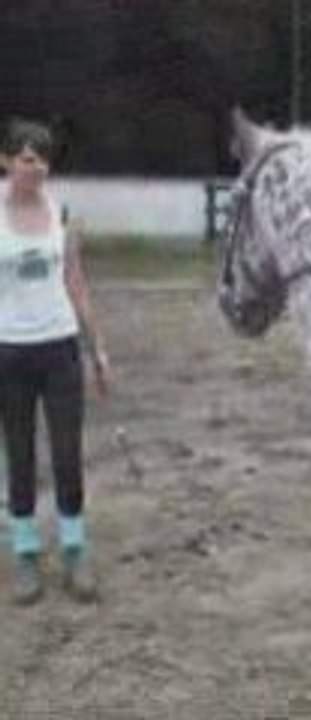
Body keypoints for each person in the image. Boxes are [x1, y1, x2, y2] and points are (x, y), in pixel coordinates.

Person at [0, 118, 110, 605]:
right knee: (19, 456)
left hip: (59, 347)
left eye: (42, 158)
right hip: (8, 352)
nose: (36, 167)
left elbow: (77, 284)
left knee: (68, 455)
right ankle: (25, 553)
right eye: (26, 158)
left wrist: (97, 349)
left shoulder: (62, 213)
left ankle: (74, 547)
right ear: (6, 161)